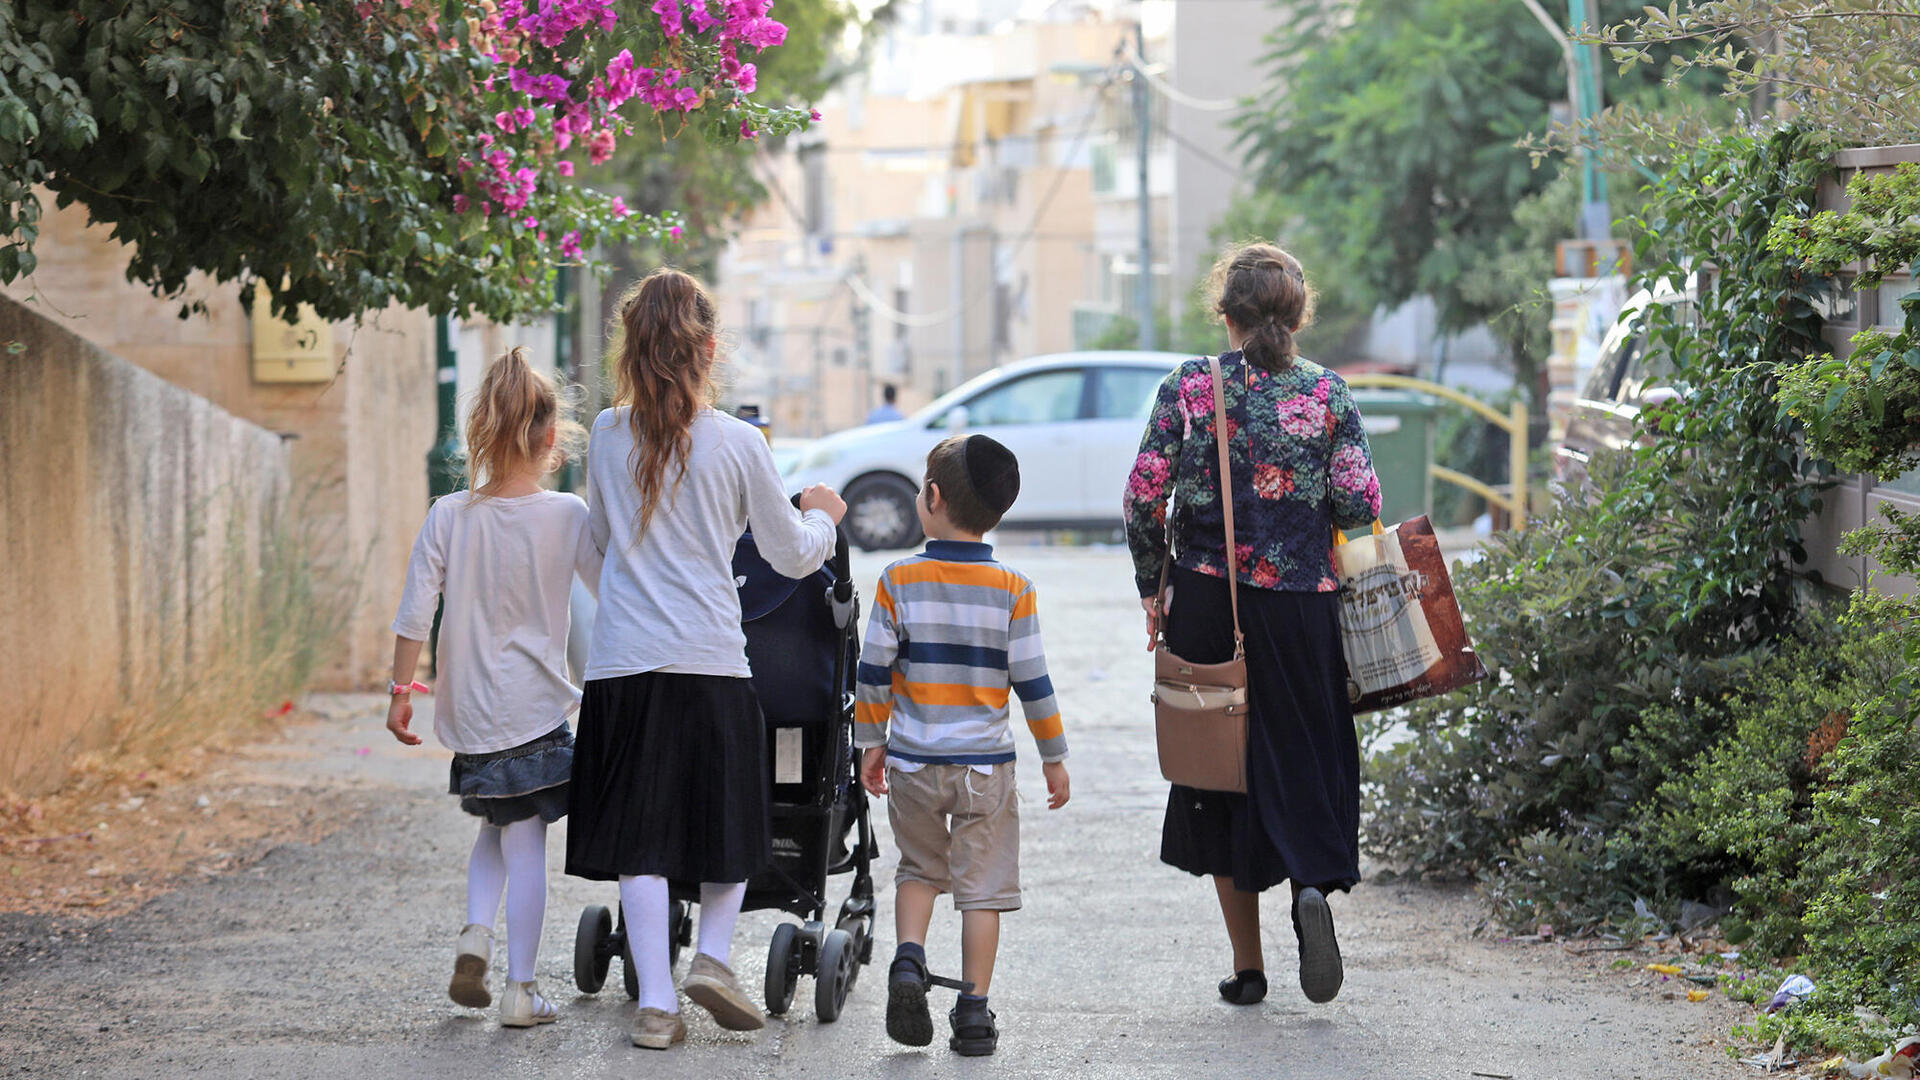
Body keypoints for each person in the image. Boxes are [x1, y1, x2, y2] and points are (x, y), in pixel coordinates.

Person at [565, 268, 848, 1051]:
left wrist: (626, 596)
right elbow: (791, 557)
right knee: (732, 822)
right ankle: (714, 958)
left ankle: (657, 1003)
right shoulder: (739, 442)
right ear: (710, 349)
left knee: (640, 840)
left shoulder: (608, 434)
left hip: (625, 665)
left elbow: (594, 550)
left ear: (632, 347)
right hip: (713, 660)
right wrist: (822, 517)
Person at [1122, 241, 1381, 1008]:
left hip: (1208, 606)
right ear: (1297, 315)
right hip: (1303, 608)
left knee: (1219, 776)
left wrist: (1152, 585)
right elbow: (1359, 510)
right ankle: (1310, 890)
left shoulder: (1192, 388)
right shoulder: (1329, 394)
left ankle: (1248, 966)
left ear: (1225, 313)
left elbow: (1142, 498)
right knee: (1303, 758)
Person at [386, 346, 598, 1028]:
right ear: (548, 437)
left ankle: (476, 933)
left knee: (495, 823)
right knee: (527, 834)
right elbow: (615, 591)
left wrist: (399, 691)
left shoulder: (450, 513)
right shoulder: (568, 515)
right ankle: (521, 989)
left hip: (470, 706)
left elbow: (416, 608)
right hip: (534, 707)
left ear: (482, 428)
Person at [855, 434, 1072, 1057]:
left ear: (932, 497)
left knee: (920, 871)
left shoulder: (897, 579)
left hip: (915, 763)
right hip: (985, 769)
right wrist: (1053, 756)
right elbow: (1033, 681)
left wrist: (871, 742)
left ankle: (908, 963)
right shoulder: (1014, 588)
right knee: (984, 890)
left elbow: (873, 673)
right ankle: (973, 1014)